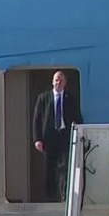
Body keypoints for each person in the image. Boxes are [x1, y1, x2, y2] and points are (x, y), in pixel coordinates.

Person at [32, 70, 83, 201]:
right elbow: (37, 120)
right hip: (49, 137)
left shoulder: (70, 98)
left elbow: (78, 118)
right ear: (52, 82)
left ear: (65, 83)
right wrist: (37, 139)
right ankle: (50, 195)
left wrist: (78, 135)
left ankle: (64, 195)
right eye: (56, 80)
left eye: (61, 80)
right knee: (50, 167)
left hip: (65, 136)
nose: (58, 83)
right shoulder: (43, 98)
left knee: (65, 167)